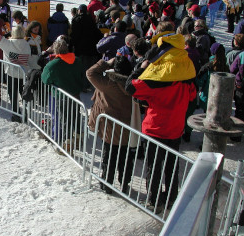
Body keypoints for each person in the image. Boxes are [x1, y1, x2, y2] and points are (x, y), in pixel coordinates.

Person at [125, 21, 197, 213]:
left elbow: (130, 87)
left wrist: (142, 66)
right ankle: (171, 199)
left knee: (153, 167)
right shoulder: (185, 73)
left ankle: (154, 201)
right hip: (175, 128)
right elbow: (192, 96)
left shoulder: (155, 79)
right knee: (172, 166)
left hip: (155, 129)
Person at [86, 55, 135, 194]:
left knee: (109, 157)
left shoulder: (109, 84)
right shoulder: (132, 84)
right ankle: (124, 184)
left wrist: (105, 62)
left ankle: (106, 184)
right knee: (124, 157)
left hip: (110, 128)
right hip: (126, 126)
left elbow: (90, 73)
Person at [0, 18, 35, 122]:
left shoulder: (8, 44)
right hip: (23, 74)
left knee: (13, 94)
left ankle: (16, 114)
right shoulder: (27, 45)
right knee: (23, 93)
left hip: (11, 73)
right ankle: (26, 113)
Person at [41, 37, 84, 148]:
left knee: (65, 120)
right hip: (75, 95)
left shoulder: (53, 65)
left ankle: (67, 144)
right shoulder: (77, 60)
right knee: (76, 117)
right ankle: (78, 139)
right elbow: (83, 77)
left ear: (55, 50)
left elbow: (45, 79)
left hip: (62, 96)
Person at [70, 4, 103, 91]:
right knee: (90, 67)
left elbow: (74, 35)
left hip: (80, 48)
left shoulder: (76, 20)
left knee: (81, 67)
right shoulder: (91, 20)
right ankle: (90, 85)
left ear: (79, 11)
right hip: (91, 48)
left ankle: (83, 86)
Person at [196, 43, 229, 112]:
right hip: (221, 99)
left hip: (208, 98)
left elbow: (199, 82)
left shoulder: (208, 67)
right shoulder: (226, 68)